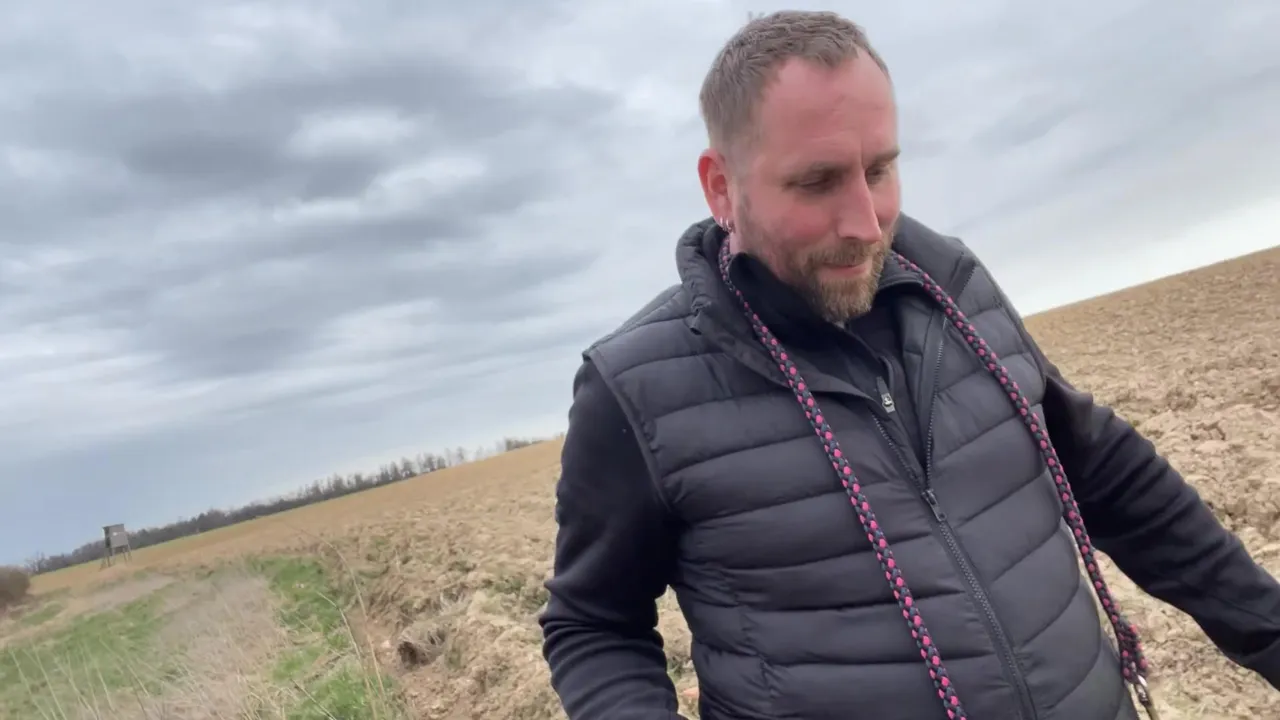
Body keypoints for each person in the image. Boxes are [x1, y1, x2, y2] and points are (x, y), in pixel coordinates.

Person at [539, 10, 1280, 720]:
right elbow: (593, 625)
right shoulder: (636, 387)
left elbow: (1106, 475)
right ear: (720, 186)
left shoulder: (955, 286)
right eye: (817, 181)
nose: (866, 225)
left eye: (880, 170)